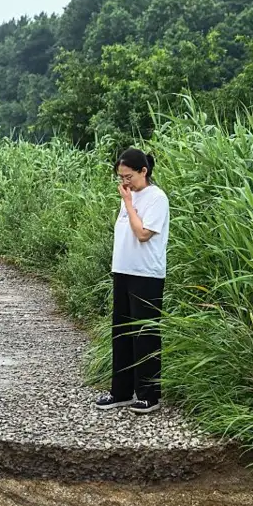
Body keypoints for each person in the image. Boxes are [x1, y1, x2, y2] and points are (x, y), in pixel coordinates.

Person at [96, 147, 169, 415]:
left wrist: (128, 203)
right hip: (124, 271)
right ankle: (121, 392)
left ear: (143, 171)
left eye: (128, 176)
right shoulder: (130, 195)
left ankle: (149, 395)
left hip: (146, 274)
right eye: (120, 177)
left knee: (145, 334)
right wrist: (127, 201)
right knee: (122, 333)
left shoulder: (156, 198)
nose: (124, 182)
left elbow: (142, 234)